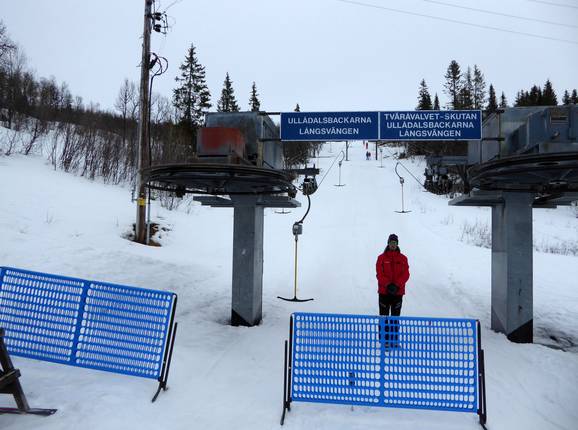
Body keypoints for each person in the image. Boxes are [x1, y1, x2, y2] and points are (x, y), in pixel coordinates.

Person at [375, 234, 410, 346]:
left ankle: (394, 340)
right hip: (384, 293)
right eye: (391, 242)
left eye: (395, 243)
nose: (393, 245)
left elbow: (406, 274)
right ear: (388, 243)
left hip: (397, 293)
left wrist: (396, 285)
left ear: (397, 244)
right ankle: (384, 341)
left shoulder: (403, 258)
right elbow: (379, 274)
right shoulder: (381, 258)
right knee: (383, 317)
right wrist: (388, 285)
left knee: (395, 317)